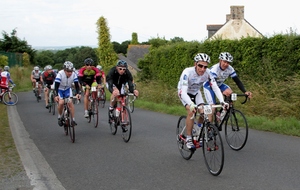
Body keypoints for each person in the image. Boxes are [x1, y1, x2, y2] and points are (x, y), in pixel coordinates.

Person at [177, 53, 226, 150]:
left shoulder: (208, 73)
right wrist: (191, 104)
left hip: (196, 92)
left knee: (204, 112)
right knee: (191, 112)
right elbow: (183, 92)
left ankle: (199, 129)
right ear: (195, 64)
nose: (203, 69)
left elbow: (215, 87)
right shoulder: (187, 72)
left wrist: (222, 101)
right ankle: (189, 138)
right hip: (184, 93)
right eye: (200, 66)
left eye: (205, 66)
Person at [203, 52, 252, 125]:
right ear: (220, 60)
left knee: (231, 95)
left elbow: (237, 81)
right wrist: (221, 92)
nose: (226, 64)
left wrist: (245, 91)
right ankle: (209, 128)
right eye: (224, 62)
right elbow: (214, 85)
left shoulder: (230, 69)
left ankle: (220, 114)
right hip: (209, 85)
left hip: (219, 84)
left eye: (228, 63)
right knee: (212, 108)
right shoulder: (214, 69)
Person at [106, 60, 139, 131]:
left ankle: (122, 121)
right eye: (120, 69)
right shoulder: (112, 71)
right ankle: (111, 107)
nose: (122, 71)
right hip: (112, 83)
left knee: (123, 99)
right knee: (115, 93)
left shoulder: (127, 73)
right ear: (117, 67)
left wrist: (133, 90)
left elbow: (130, 83)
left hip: (121, 84)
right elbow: (110, 82)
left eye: (124, 69)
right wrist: (113, 90)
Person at [54, 61, 81, 126]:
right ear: (64, 70)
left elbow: (77, 85)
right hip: (60, 89)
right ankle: (60, 116)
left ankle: (73, 120)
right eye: (68, 71)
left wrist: (78, 93)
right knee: (61, 103)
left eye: (71, 71)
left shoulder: (74, 74)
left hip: (67, 89)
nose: (69, 73)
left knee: (70, 103)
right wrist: (56, 95)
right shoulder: (60, 74)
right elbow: (56, 85)